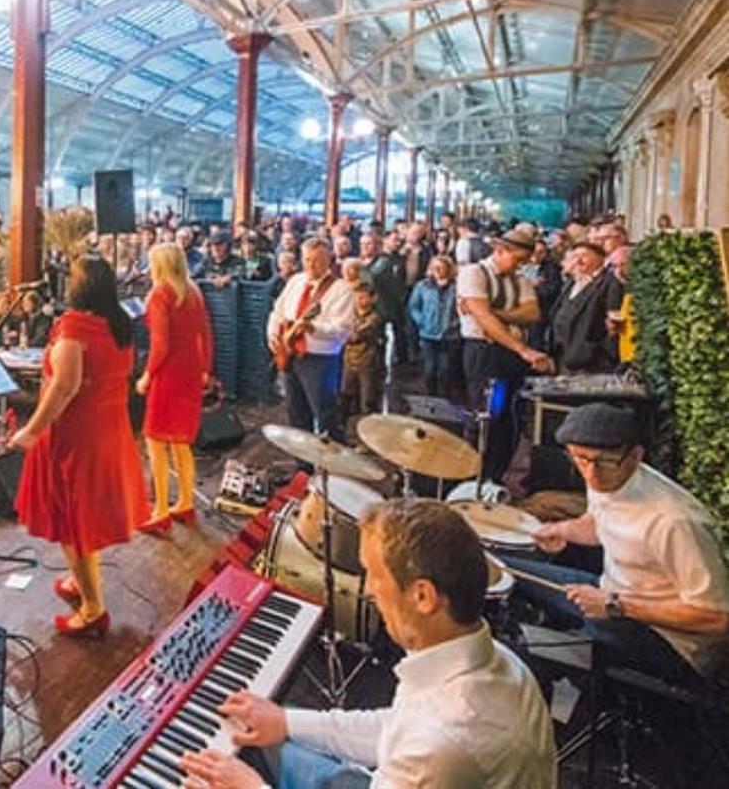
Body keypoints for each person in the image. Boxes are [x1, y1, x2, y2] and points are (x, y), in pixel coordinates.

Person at [183, 498, 555, 789]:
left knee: (243, 764)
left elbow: (422, 747)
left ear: (423, 596)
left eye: (374, 576)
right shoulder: (496, 662)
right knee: (261, 742)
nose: (369, 592)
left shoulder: (443, 746)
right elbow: (396, 728)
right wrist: (285, 720)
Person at [515, 404, 729, 680]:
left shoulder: (674, 522)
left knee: (535, 654)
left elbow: (717, 617)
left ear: (636, 455)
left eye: (604, 461)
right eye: (580, 458)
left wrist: (616, 605)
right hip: (610, 595)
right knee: (507, 571)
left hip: (666, 641)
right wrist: (563, 530)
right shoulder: (606, 478)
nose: (592, 474)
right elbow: (603, 523)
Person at [10, 256, 148, 638]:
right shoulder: (118, 323)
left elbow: (65, 386)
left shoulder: (74, 325)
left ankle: (92, 608)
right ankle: (80, 581)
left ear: (82, 286)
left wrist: (33, 430)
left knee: (73, 522)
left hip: (75, 436)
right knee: (85, 513)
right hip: (107, 428)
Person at [456, 224, 550, 482]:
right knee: (486, 415)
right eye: (517, 260)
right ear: (499, 250)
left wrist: (487, 311)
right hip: (483, 354)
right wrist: (522, 348)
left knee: (509, 416)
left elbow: (532, 314)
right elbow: (484, 322)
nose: (520, 266)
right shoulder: (473, 273)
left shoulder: (520, 280)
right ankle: (475, 476)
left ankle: (496, 475)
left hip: (509, 357)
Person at [137, 243, 212, 535]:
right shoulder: (193, 291)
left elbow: (160, 345)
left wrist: (146, 375)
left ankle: (161, 511)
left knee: (155, 440)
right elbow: (205, 334)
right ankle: (185, 501)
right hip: (191, 370)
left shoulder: (160, 294)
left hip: (168, 373)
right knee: (181, 441)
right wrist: (205, 368)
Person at [266, 239, 355, 442]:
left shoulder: (341, 289)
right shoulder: (296, 281)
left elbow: (342, 329)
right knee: (296, 414)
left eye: (317, 260)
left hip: (319, 360)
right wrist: (272, 335)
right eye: (307, 260)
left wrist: (314, 328)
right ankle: (303, 467)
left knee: (325, 414)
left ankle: (331, 466)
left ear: (329, 260)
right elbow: (278, 312)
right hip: (291, 355)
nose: (310, 265)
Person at [546, 241, 624, 374]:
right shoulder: (572, 282)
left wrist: (600, 353)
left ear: (601, 257)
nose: (578, 260)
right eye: (575, 256)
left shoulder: (610, 283)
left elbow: (614, 321)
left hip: (592, 362)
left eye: (584, 256)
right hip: (562, 357)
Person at [407, 256, 460, 397]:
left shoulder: (457, 287)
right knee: (429, 369)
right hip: (428, 334)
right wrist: (422, 321)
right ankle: (431, 396)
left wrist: (456, 323)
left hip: (450, 336)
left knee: (445, 370)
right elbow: (413, 307)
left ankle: (444, 398)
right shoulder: (422, 286)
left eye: (441, 267)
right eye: (435, 267)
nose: (437, 270)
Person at [341, 282, 385, 417]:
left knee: (368, 400)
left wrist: (343, 332)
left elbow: (354, 336)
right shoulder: (349, 314)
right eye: (356, 297)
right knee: (346, 397)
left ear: (372, 299)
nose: (358, 300)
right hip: (349, 363)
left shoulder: (374, 318)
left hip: (368, 364)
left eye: (362, 297)